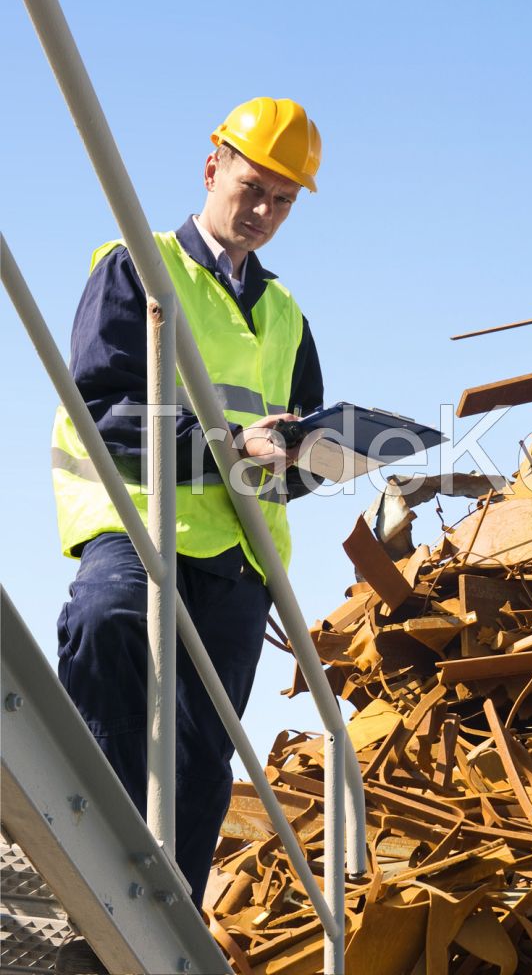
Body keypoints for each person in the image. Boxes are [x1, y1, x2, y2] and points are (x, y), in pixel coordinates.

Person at [52, 98, 324, 973]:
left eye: (283, 201)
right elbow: (100, 412)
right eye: (253, 188)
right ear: (213, 167)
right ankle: (79, 878)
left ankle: (150, 932)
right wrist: (224, 447)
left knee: (206, 760)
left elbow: (298, 446)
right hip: (141, 526)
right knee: (106, 627)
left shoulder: (287, 316)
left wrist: (312, 459)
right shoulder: (140, 268)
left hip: (239, 562)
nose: (263, 212)